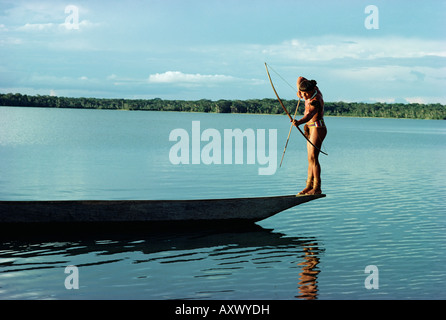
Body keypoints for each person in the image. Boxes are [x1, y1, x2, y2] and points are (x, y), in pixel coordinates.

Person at [292, 77, 327, 195]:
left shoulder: (316, 99)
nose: (304, 96)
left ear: (312, 90)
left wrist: (298, 122)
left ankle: (317, 188)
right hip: (310, 128)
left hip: (318, 127)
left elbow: (309, 115)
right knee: (309, 159)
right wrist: (298, 90)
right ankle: (308, 186)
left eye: (306, 93)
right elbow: (300, 78)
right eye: (303, 93)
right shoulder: (310, 88)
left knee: (314, 158)